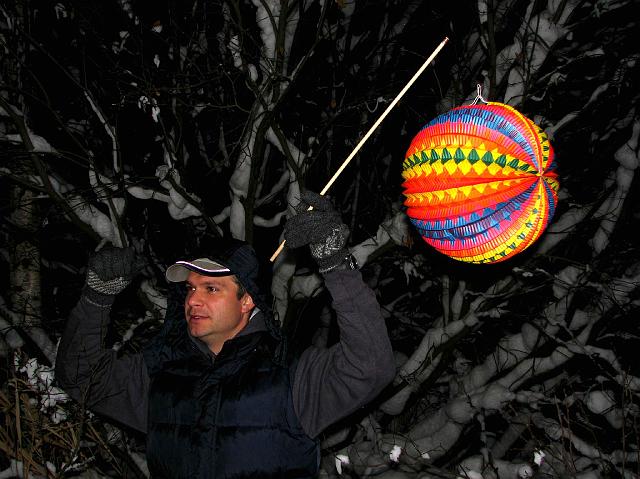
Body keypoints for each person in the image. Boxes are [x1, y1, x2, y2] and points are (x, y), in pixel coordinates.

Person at [55, 190, 395, 478]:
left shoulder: (290, 374)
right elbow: (81, 378)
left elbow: (370, 367)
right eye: (190, 288)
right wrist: (96, 299)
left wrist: (335, 263)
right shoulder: (163, 373)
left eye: (211, 289)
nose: (193, 300)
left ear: (247, 300)